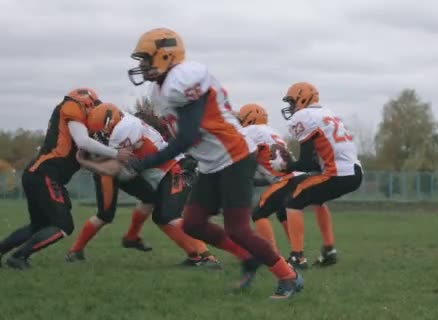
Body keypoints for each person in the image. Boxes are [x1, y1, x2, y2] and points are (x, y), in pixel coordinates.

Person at [125, 28, 302, 299]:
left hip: (234, 156)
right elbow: (178, 133)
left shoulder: (184, 78)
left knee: (238, 229)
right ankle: (248, 258)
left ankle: (288, 276)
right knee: (192, 224)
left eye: (146, 59)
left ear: (166, 56)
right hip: (211, 162)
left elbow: (186, 137)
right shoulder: (159, 90)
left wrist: (145, 162)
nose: (142, 66)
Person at [66, 103, 221, 269]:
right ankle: (194, 257)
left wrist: (86, 163)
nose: (102, 135)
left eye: (102, 131)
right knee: (161, 217)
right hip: (167, 173)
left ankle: (208, 258)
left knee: (169, 216)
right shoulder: (124, 121)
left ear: (108, 124)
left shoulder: (123, 130)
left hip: (176, 170)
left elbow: (114, 168)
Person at [0, 88, 132, 269]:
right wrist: (116, 153)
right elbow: (83, 141)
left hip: (38, 174)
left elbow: (87, 155)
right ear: (86, 104)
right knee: (63, 225)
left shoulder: (79, 124)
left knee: (38, 226)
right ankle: (19, 257)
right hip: (44, 174)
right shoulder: (72, 107)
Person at [271, 82, 363, 267]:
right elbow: (313, 163)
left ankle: (297, 257)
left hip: (338, 173)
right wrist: (291, 166)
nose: (291, 107)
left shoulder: (305, 116)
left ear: (303, 99)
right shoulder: (326, 113)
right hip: (354, 171)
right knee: (315, 198)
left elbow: (305, 163)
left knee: (293, 199)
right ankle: (329, 251)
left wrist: (285, 166)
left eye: (292, 102)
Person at [237, 103, 310, 268]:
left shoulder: (250, 131)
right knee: (283, 214)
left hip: (286, 180)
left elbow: (243, 157)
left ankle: (271, 256)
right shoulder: (271, 131)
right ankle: (299, 257)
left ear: (249, 118)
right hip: (297, 177)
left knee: (258, 213)